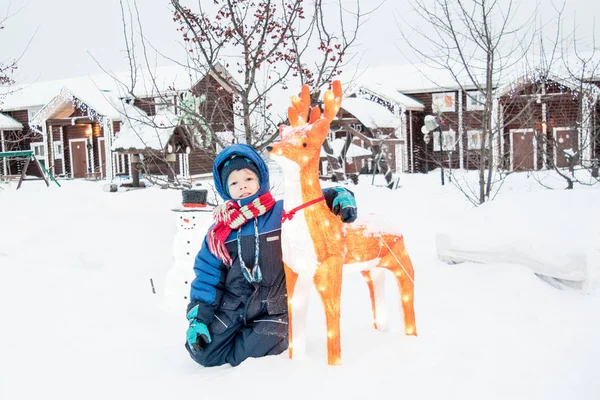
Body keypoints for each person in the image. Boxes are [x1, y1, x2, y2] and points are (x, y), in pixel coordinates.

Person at [185, 143, 357, 367]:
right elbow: (206, 276)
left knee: (242, 358)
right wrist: (198, 319)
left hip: (273, 309)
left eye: (248, 179)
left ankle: (262, 340)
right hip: (233, 307)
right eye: (234, 183)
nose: (243, 187)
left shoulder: (281, 212)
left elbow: (313, 200)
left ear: (260, 179)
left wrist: (339, 195)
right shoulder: (219, 232)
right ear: (225, 189)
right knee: (202, 353)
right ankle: (245, 337)